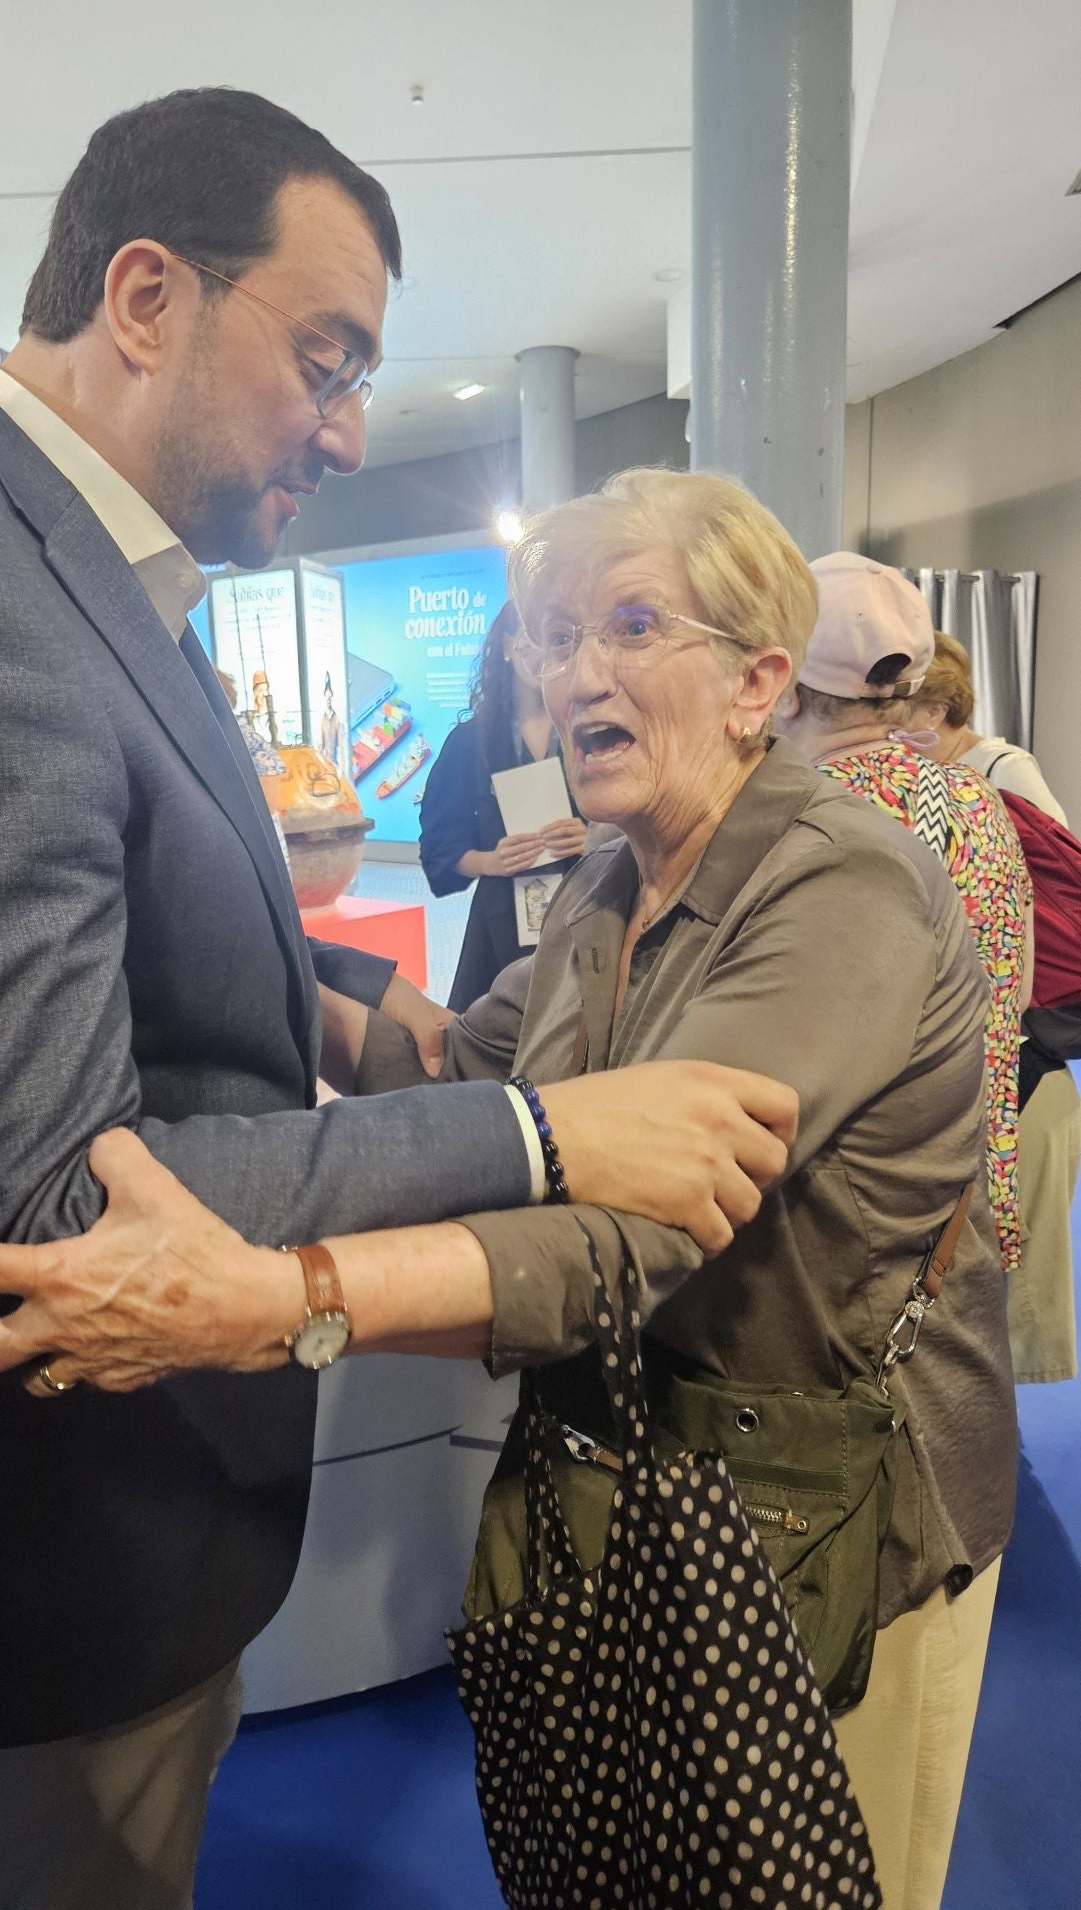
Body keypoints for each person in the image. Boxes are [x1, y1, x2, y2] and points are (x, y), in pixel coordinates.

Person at [1, 470, 1019, 1910]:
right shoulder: (612, 887)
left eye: (630, 626)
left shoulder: (843, 888)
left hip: (830, 1524)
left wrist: (273, 1305)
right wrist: (224, 942)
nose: (572, 673)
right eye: (551, 636)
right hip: (636, 1501)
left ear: (758, 683)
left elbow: (630, 1233)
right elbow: (452, 1068)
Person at [0, 97, 795, 1910]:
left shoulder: (108, 582)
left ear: (761, 675)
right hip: (69, 1572)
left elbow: (166, 948)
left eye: (633, 629)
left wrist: (362, 1021)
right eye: (327, 361)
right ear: (145, 298)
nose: (350, 431)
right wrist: (536, 1133)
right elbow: (56, 1191)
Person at [777, 553, 1034, 1277]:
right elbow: (1015, 991)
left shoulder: (792, 820)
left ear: (784, 691)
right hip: (969, 1212)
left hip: (839, 1234)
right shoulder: (979, 800)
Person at [906, 633, 1080, 1382]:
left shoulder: (1001, 771)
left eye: (907, 708)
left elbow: (1048, 884)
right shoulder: (935, 779)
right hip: (991, 1037)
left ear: (937, 709)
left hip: (1022, 1037)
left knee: (1010, 1279)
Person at [420, 599, 588, 1009]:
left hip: (586, 907)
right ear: (507, 647)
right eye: (528, 641)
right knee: (498, 1028)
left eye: (555, 641)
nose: (540, 656)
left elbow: (637, 821)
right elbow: (440, 846)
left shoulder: (588, 730)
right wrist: (491, 861)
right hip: (501, 923)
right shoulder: (470, 742)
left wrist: (594, 837)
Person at [904, 631, 1068, 822]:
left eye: (895, 706)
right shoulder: (909, 768)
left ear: (934, 711)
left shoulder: (1006, 768)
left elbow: (1053, 841)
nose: (886, 717)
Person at [318, 669, 350, 778]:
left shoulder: (336, 719)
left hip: (335, 763)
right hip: (325, 763)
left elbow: (341, 747)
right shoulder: (323, 718)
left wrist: (341, 768)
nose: (328, 700)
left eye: (330, 697)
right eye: (327, 698)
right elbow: (321, 745)